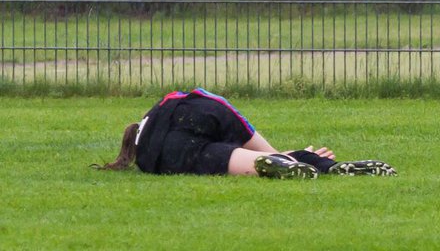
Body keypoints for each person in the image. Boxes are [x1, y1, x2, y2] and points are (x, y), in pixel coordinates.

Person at [94, 87, 396, 179]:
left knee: (218, 159)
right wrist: (281, 151)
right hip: (198, 121)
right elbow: (232, 116)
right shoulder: (186, 101)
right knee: (255, 155)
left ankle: (288, 164)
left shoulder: (144, 142)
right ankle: (321, 164)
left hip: (166, 155)